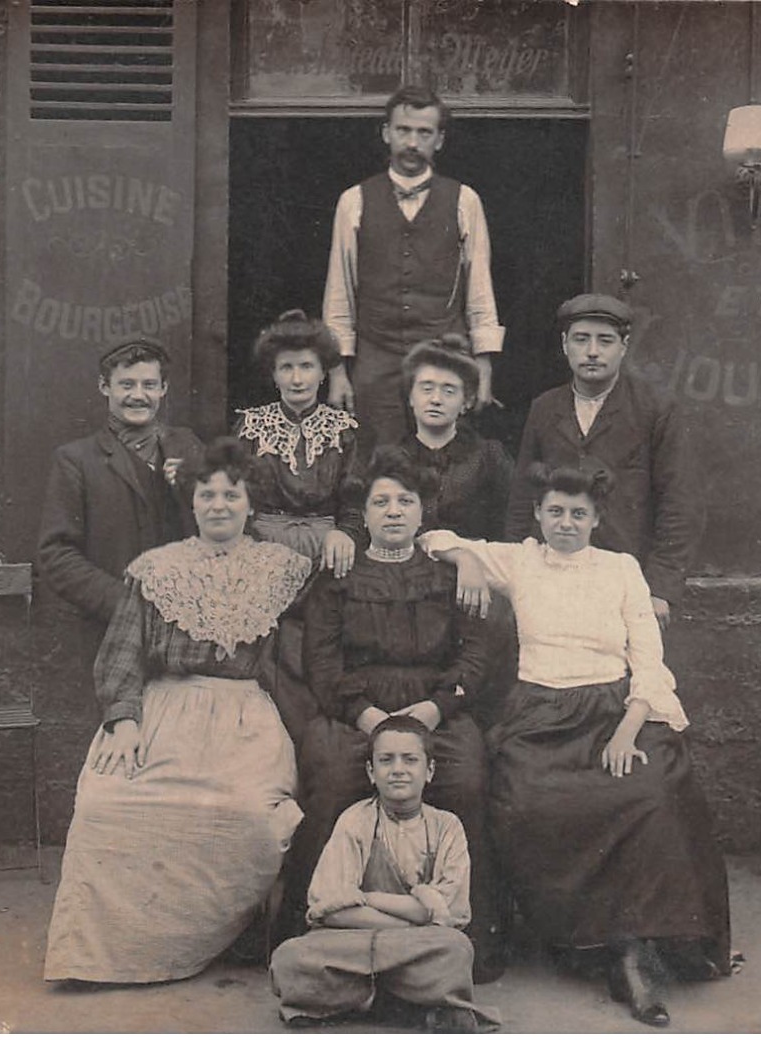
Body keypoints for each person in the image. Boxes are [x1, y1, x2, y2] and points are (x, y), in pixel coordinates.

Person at [423, 466, 732, 1028]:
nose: (567, 523)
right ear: (539, 515)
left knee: (651, 793)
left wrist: (625, 731)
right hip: (540, 716)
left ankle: (633, 951)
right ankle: (578, 941)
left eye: (579, 514)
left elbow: (649, 658)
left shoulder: (621, 570)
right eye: (556, 512)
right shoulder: (519, 561)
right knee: (528, 797)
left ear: (596, 519)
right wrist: (468, 558)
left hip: (617, 711)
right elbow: (433, 538)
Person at [43, 437, 312, 984]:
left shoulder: (283, 570)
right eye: (206, 494)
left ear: (250, 503)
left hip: (243, 719)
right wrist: (123, 719)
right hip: (163, 709)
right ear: (190, 503)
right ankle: (107, 956)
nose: (218, 504)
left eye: (230, 494)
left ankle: (224, 935)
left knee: (252, 816)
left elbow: (302, 655)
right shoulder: (156, 570)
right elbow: (121, 650)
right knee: (105, 802)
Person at [286, 447, 503, 980]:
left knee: (466, 778)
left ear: (423, 511)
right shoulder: (339, 576)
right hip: (355, 711)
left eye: (405, 501)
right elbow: (320, 658)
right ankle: (323, 929)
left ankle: (463, 936)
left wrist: (437, 707)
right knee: (336, 780)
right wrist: (363, 714)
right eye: (380, 501)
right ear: (363, 514)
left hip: (433, 710)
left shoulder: (449, 575)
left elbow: (474, 654)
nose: (393, 511)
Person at [270, 715, 500, 1033]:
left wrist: (368, 898)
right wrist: (414, 918)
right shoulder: (355, 820)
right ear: (371, 771)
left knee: (455, 949)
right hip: (358, 942)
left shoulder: (447, 826)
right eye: (386, 760)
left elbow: (453, 914)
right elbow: (328, 909)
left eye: (410, 759)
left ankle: (356, 1001)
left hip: (418, 945)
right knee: (290, 956)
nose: (398, 770)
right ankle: (408, 1006)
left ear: (429, 770)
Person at [503, 294, 703, 627]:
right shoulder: (545, 408)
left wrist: (660, 588)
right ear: (565, 344)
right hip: (553, 574)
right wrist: (516, 570)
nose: (593, 351)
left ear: (624, 346)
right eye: (581, 339)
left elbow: (681, 501)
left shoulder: (654, 408)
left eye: (605, 341)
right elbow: (523, 496)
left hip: (626, 579)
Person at [322, 85, 504, 450]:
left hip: (444, 353)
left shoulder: (464, 201)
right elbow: (339, 293)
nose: (412, 142)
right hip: (375, 358)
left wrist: (482, 368)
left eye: (424, 132)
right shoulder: (354, 201)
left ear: (439, 140)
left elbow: (480, 290)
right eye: (403, 130)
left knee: (443, 461)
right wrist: (338, 373)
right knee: (378, 459)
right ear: (386, 133)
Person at [35, 339, 205, 669]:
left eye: (149, 385)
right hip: (111, 634)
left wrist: (190, 492)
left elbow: (221, 527)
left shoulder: (188, 446)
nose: (138, 395)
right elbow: (56, 555)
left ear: (164, 388)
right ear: (104, 387)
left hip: (187, 632)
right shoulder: (76, 460)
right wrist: (125, 604)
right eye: (126, 385)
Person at [234, 309, 361, 573]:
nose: (297, 379)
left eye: (306, 366)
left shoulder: (342, 430)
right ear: (274, 374)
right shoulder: (251, 426)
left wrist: (345, 534)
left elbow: (355, 502)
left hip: (327, 548)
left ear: (323, 373)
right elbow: (234, 494)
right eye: (286, 368)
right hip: (262, 546)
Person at [396, 335, 511, 542]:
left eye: (449, 391)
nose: (436, 399)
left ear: (466, 402)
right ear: (411, 397)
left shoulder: (489, 457)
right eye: (427, 389)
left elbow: (507, 524)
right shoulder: (393, 458)